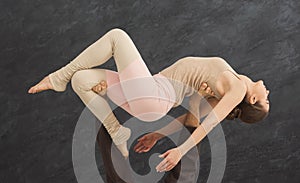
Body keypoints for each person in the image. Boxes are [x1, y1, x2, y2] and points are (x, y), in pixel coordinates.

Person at [28, 28, 270, 166]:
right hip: (151, 94)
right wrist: (156, 135)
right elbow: (191, 119)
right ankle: (117, 130)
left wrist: (180, 151)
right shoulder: (227, 87)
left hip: (154, 95)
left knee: (117, 37)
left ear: (252, 100)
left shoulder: (238, 88)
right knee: (81, 81)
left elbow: (208, 124)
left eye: (266, 100)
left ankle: (59, 77)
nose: (268, 92)